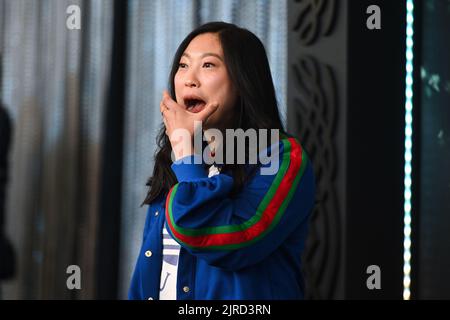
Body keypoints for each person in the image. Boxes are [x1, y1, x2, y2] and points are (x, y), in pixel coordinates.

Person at [128, 22, 315, 300]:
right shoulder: (177, 158)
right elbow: (150, 269)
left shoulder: (281, 156)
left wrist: (187, 155)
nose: (189, 79)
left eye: (208, 66)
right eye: (182, 65)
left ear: (243, 81)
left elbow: (232, 243)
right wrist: (185, 153)